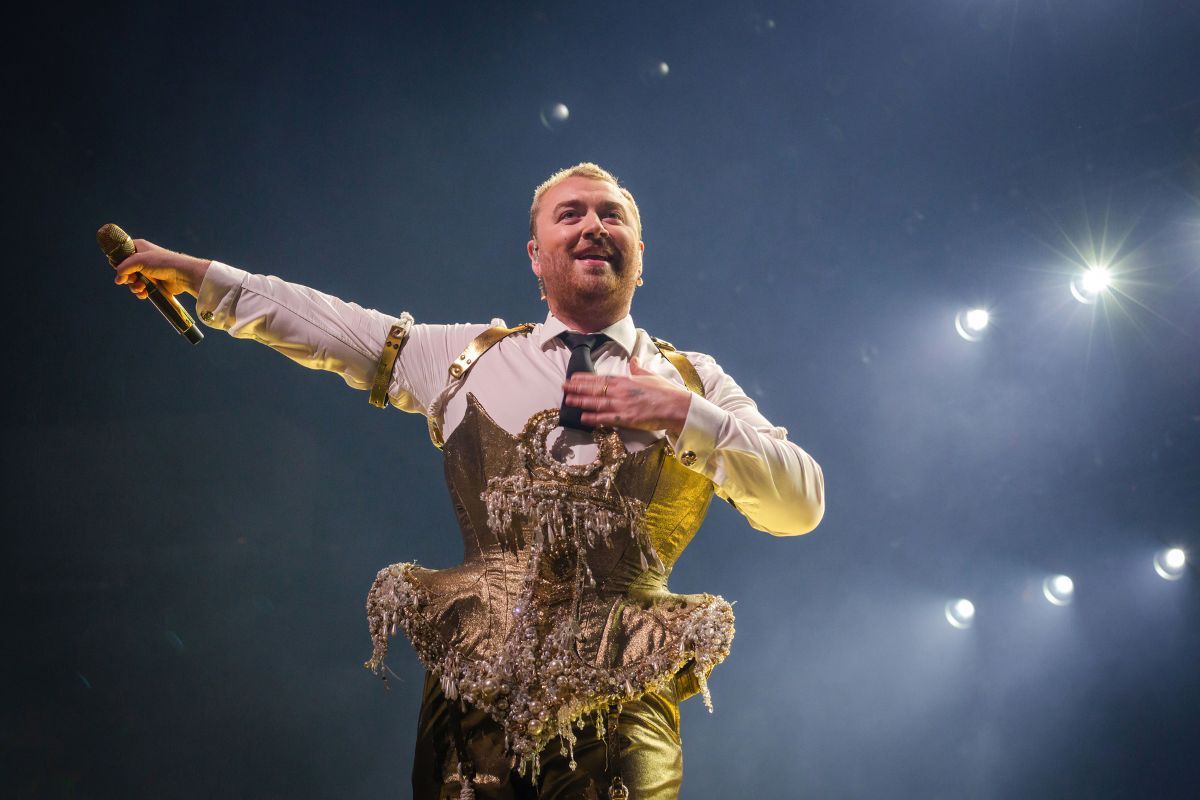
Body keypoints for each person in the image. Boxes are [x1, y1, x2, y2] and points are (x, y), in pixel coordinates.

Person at [112, 163, 825, 799]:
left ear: (640, 256)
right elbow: (331, 326)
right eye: (570, 213)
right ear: (536, 258)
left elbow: (800, 505)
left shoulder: (696, 381)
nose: (593, 225)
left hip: (621, 702)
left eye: (612, 215)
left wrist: (682, 414)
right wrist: (202, 276)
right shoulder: (467, 358)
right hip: (472, 700)